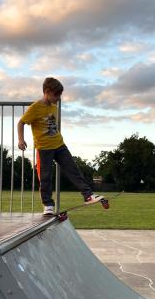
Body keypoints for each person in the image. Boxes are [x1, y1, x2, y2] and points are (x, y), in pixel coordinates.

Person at [17, 77, 104, 215]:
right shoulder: (35, 108)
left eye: (60, 95)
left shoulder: (54, 107)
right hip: (44, 148)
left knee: (73, 169)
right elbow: (21, 122)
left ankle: (88, 195)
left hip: (59, 145)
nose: (58, 98)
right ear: (47, 91)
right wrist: (21, 140)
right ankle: (48, 205)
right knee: (46, 176)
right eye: (56, 95)